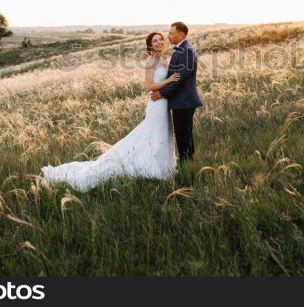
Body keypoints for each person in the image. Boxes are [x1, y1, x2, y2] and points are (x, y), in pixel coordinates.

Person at [40, 32, 180, 191]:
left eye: (161, 39)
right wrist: (169, 80)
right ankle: (153, 167)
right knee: (153, 132)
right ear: (150, 45)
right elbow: (149, 86)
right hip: (156, 103)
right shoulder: (150, 62)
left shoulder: (162, 59)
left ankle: (163, 165)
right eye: (155, 41)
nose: (159, 42)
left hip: (163, 103)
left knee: (163, 133)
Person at [150, 21, 203, 163]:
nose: (168, 36)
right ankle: (189, 162)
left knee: (182, 135)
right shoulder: (181, 49)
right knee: (185, 134)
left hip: (184, 101)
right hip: (181, 100)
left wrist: (161, 93)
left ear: (181, 35)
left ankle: (186, 164)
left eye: (171, 33)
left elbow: (179, 78)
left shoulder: (187, 51)